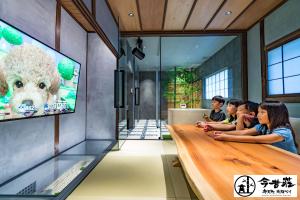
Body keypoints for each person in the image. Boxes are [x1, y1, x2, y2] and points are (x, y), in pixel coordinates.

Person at [210, 101, 298, 154]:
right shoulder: (262, 126)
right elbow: (242, 132)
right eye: (259, 112)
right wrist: (222, 133)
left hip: (288, 161)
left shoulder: (284, 132)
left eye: (262, 112)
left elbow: (256, 139)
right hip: (271, 155)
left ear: (275, 115)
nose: (258, 115)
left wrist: (227, 137)